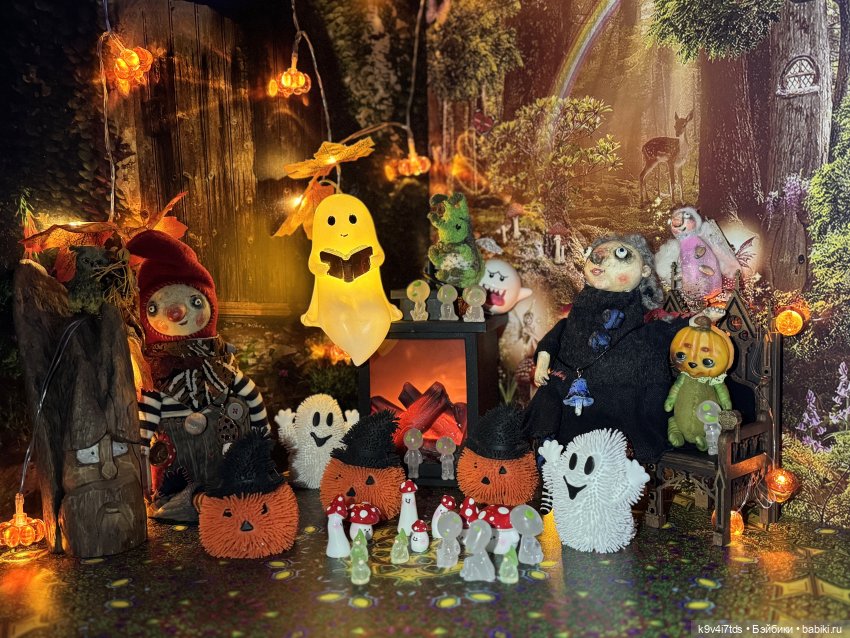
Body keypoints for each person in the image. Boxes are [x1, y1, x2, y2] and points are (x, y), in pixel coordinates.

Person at [523, 234, 689, 463]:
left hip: (615, 406)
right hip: (571, 401)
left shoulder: (640, 320)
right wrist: (543, 360)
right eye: (596, 254)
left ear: (644, 271)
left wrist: (696, 321)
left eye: (621, 254)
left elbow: (659, 334)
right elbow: (558, 334)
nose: (600, 258)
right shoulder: (579, 311)